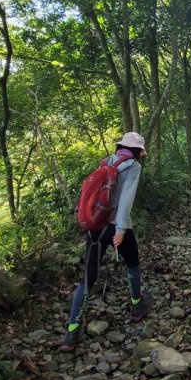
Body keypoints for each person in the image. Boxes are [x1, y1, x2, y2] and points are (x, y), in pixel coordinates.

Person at [61, 132, 152, 351]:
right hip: (118, 225)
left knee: (87, 278)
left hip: (96, 225)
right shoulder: (133, 166)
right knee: (132, 263)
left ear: (120, 146)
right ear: (138, 151)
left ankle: (72, 331)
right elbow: (126, 199)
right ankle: (137, 305)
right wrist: (120, 228)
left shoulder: (106, 162)